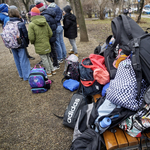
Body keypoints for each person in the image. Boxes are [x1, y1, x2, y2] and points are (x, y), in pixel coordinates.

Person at [28, 7, 56, 77]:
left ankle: (49, 72)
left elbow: (31, 37)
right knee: (48, 57)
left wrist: (33, 42)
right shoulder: (45, 22)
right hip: (46, 42)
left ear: (32, 15)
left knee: (44, 58)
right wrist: (46, 39)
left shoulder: (31, 24)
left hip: (38, 44)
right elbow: (50, 33)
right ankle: (53, 70)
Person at [35, 2, 60, 70]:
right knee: (53, 49)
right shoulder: (49, 13)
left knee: (52, 50)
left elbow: (47, 28)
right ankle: (55, 63)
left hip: (50, 35)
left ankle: (55, 64)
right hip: (53, 33)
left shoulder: (45, 16)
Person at [8, 8, 31, 81]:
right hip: (20, 43)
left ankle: (21, 74)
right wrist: (26, 43)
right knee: (23, 59)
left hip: (11, 44)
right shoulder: (20, 23)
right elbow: (26, 35)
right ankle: (26, 75)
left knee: (16, 59)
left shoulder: (8, 23)